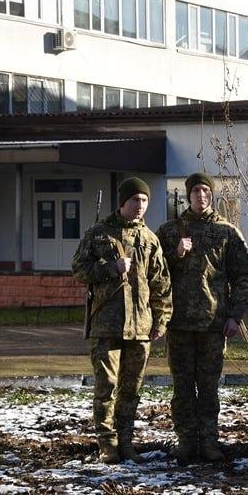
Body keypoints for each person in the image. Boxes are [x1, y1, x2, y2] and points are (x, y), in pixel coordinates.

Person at [72, 176, 172, 464]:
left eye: (144, 201)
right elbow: (79, 269)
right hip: (107, 325)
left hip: (140, 328)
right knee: (106, 387)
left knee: (132, 389)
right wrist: (110, 267)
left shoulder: (150, 239)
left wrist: (160, 320)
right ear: (122, 203)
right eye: (134, 200)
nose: (139, 206)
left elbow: (161, 284)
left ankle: (126, 441)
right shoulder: (99, 234)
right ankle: (107, 444)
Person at [156, 171, 248, 464]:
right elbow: (155, 276)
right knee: (183, 387)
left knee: (209, 388)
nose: (201, 196)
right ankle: (186, 441)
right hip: (179, 323)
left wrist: (235, 316)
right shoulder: (170, 232)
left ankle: (210, 442)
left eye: (206, 191)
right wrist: (175, 253)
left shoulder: (227, 232)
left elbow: (242, 276)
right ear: (188, 195)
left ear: (212, 195)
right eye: (196, 191)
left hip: (213, 324)